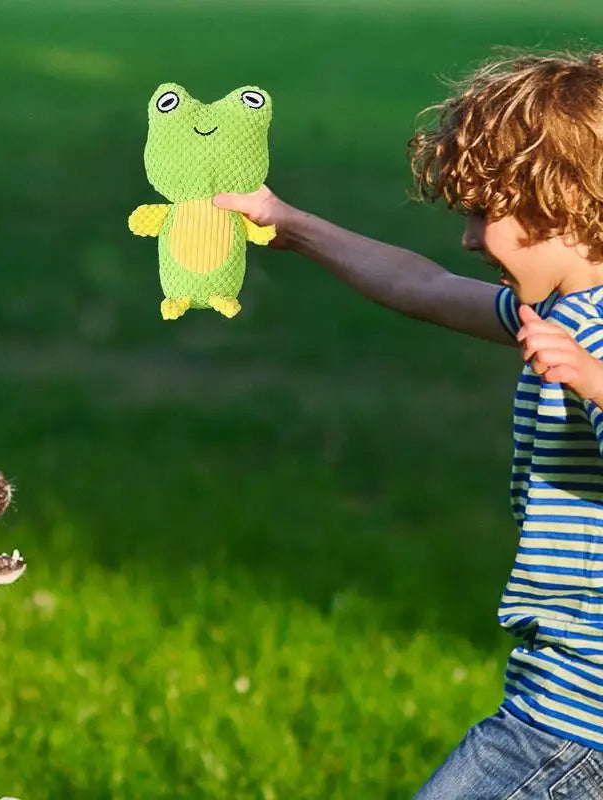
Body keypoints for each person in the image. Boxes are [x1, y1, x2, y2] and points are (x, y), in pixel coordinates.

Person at [214, 53, 603, 798]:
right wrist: (289, 225)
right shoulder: (557, 311)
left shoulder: (588, 340)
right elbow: (421, 285)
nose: (466, 239)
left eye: (485, 215)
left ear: (567, 203)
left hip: (572, 724)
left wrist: (592, 381)